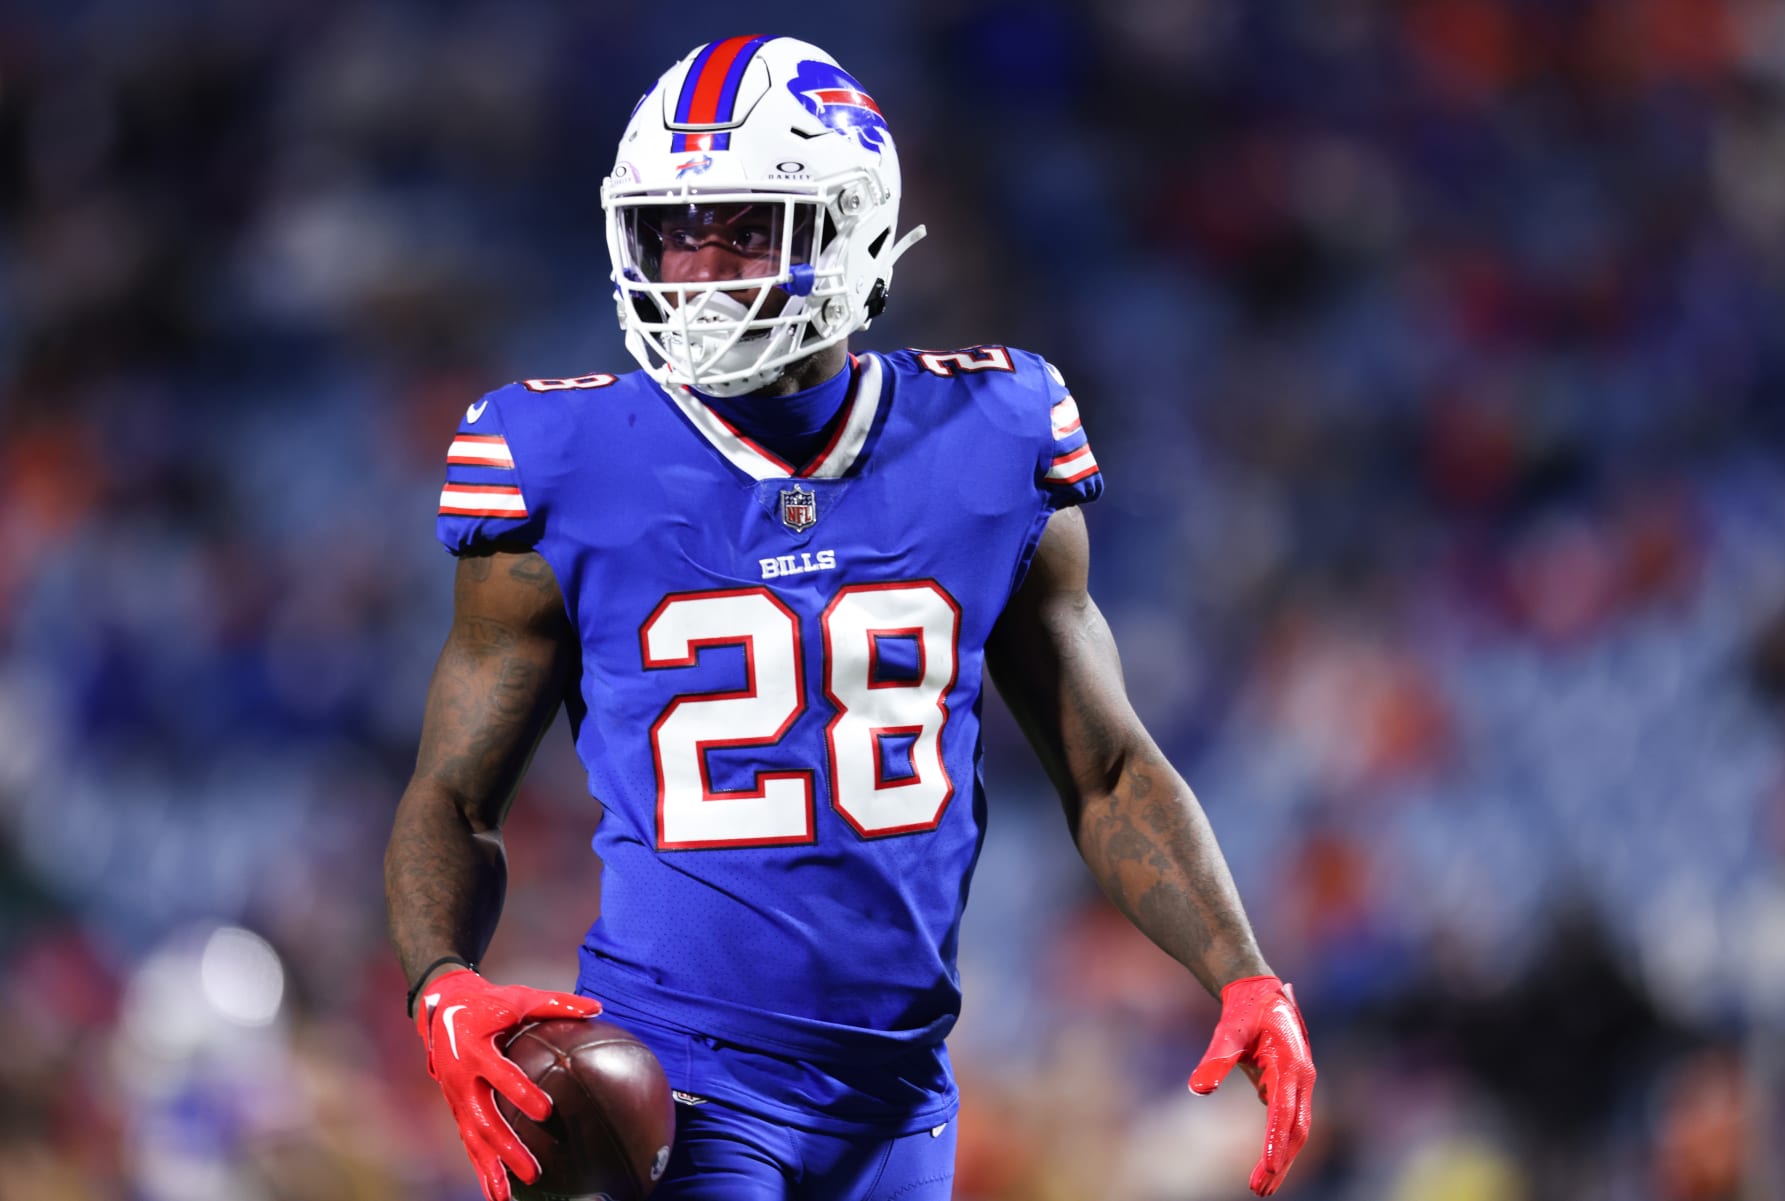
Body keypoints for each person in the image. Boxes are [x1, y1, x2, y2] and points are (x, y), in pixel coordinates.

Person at [385, 34, 1315, 1201]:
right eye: (674, 229)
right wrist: (442, 980)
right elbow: (452, 794)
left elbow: (1109, 766)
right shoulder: (558, 456)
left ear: (852, 227)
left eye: (743, 227)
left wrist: (1241, 968)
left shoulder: (998, 430)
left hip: (904, 1100)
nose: (699, 266)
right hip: (686, 1086)